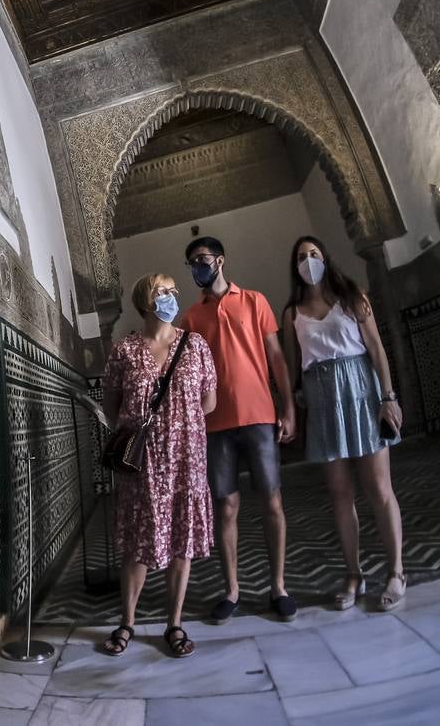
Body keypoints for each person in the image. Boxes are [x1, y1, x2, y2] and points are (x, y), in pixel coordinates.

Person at [178, 236, 299, 623]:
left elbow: (275, 357)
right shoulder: (191, 318)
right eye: (192, 262)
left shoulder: (254, 301)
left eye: (203, 259)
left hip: (260, 415)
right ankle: (231, 590)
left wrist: (288, 406)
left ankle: (278, 586)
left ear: (220, 260)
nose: (198, 266)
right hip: (215, 426)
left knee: (272, 500)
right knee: (226, 506)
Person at [281, 236, 406, 611]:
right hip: (322, 403)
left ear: (325, 257)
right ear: (295, 264)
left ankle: (397, 571)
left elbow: (376, 349)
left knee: (379, 488)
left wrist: (388, 398)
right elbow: (291, 365)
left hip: (361, 395)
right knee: (339, 493)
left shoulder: (352, 297)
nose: (309, 260)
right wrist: (291, 402)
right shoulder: (291, 313)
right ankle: (354, 573)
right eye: (302, 256)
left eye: (314, 253)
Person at [101, 274, 217, 659]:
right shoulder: (125, 351)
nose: (170, 296)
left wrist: (180, 428)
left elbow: (210, 401)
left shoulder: (195, 345)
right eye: (161, 291)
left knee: (181, 536)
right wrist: (146, 430)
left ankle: (174, 622)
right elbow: (112, 406)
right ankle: (127, 622)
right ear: (144, 300)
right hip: (143, 462)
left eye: (172, 290)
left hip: (187, 459)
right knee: (138, 540)